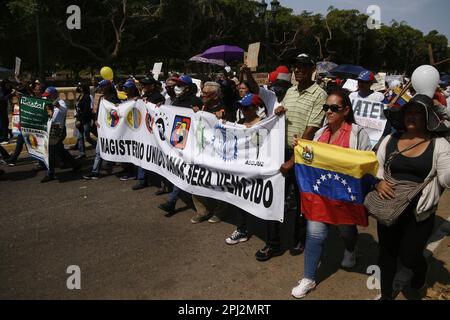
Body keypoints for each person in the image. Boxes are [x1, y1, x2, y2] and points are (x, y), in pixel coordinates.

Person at [291, 90, 372, 299]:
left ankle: (350, 249)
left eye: (333, 108)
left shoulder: (357, 133)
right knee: (315, 233)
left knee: (346, 231)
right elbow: (311, 159)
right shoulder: (320, 134)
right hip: (321, 194)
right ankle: (308, 277)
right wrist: (300, 147)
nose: (328, 111)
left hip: (344, 196)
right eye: (325, 107)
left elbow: (365, 164)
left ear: (346, 110)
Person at [374, 94, 450, 300]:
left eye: (418, 113)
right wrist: (379, 182)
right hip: (389, 209)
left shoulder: (440, 145)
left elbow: (446, 178)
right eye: (409, 112)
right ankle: (386, 294)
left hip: (419, 214)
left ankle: (419, 273)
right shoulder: (390, 139)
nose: (412, 117)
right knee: (387, 254)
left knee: (410, 255)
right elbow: (376, 167)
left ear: (428, 118)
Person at [257, 53, 327, 262]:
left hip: (303, 155)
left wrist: (293, 160)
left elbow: (311, 130)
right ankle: (273, 244)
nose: (298, 70)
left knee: (299, 200)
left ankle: (300, 239)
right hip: (282, 151)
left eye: (303, 66)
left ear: (312, 69)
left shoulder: (319, 94)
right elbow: (283, 115)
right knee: (275, 197)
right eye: (296, 66)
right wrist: (279, 110)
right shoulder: (290, 91)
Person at [225, 93, 266, 244]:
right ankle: (241, 229)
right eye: (241, 107)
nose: (243, 110)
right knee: (240, 198)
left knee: (256, 198)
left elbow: (262, 145)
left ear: (255, 108)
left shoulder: (264, 123)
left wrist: (253, 131)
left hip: (256, 168)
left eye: (247, 107)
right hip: (240, 167)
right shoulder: (240, 121)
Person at [189, 81, 229, 224]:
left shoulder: (224, 107)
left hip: (217, 152)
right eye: (202, 92)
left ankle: (220, 211)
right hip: (200, 150)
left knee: (218, 182)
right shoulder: (203, 105)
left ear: (215, 95)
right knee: (195, 179)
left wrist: (222, 117)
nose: (202, 95)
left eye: (206, 93)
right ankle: (202, 211)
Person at [132, 76, 166, 191]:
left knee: (157, 157)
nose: (143, 87)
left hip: (154, 132)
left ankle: (163, 184)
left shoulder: (158, 97)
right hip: (145, 131)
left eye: (146, 84)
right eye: (143, 85)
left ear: (152, 85)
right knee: (143, 154)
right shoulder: (144, 96)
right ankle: (142, 180)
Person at [41, 87, 81, 183]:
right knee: (60, 150)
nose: (48, 97)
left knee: (50, 152)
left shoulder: (61, 102)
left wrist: (58, 106)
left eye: (49, 95)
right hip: (49, 130)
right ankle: (75, 164)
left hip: (58, 130)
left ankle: (50, 173)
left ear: (54, 94)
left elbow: (64, 111)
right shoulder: (46, 101)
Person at [83, 80, 120, 180]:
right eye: (100, 86)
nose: (101, 88)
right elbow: (98, 111)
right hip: (102, 129)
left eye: (103, 86)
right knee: (99, 151)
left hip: (110, 128)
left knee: (109, 149)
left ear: (108, 87)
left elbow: (117, 112)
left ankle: (96, 171)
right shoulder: (101, 98)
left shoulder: (114, 99)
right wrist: (95, 120)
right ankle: (95, 171)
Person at [75, 83, 96, 159]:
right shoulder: (80, 96)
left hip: (85, 119)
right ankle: (82, 153)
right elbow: (78, 108)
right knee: (80, 136)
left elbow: (86, 110)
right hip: (79, 118)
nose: (79, 88)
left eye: (80, 87)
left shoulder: (87, 97)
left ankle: (98, 147)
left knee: (87, 137)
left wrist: (80, 120)